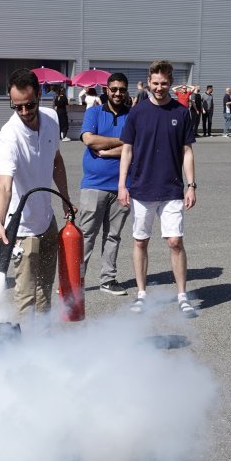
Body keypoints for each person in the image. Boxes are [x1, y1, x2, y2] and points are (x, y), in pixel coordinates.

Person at [117, 60, 197, 318]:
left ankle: (182, 295)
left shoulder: (181, 112)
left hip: (172, 188)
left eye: (164, 83)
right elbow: (126, 150)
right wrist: (122, 184)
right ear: (148, 83)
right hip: (141, 188)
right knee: (141, 241)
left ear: (171, 83)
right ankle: (141, 294)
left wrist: (191, 185)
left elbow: (187, 151)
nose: (159, 87)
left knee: (175, 241)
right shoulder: (137, 112)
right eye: (155, 83)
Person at [0, 68, 71, 317]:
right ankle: (24, 353)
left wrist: (65, 199)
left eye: (30, 105)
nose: (25, 112)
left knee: (44, 291)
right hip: (22, 228)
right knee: (26, 297)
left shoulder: (50, 118)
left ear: (39, 95)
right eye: (18, 107)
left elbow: (57, 161)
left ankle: (43, 346)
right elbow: (4, 185)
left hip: (47, 220)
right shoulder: (9, 135)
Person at [78, 72, 131, 296]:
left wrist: (107, 152)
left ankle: (108, 280)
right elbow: (89, 139)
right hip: (94, 185)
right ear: (107, 90)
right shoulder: (94, 112)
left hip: (123, 185)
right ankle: (74, 280)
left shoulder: (133, 116)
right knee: (86, 235)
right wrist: (124, 142)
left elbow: (137, 148)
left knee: (113, 235)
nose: (118, 93)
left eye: (122, 89)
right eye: (114, 89)